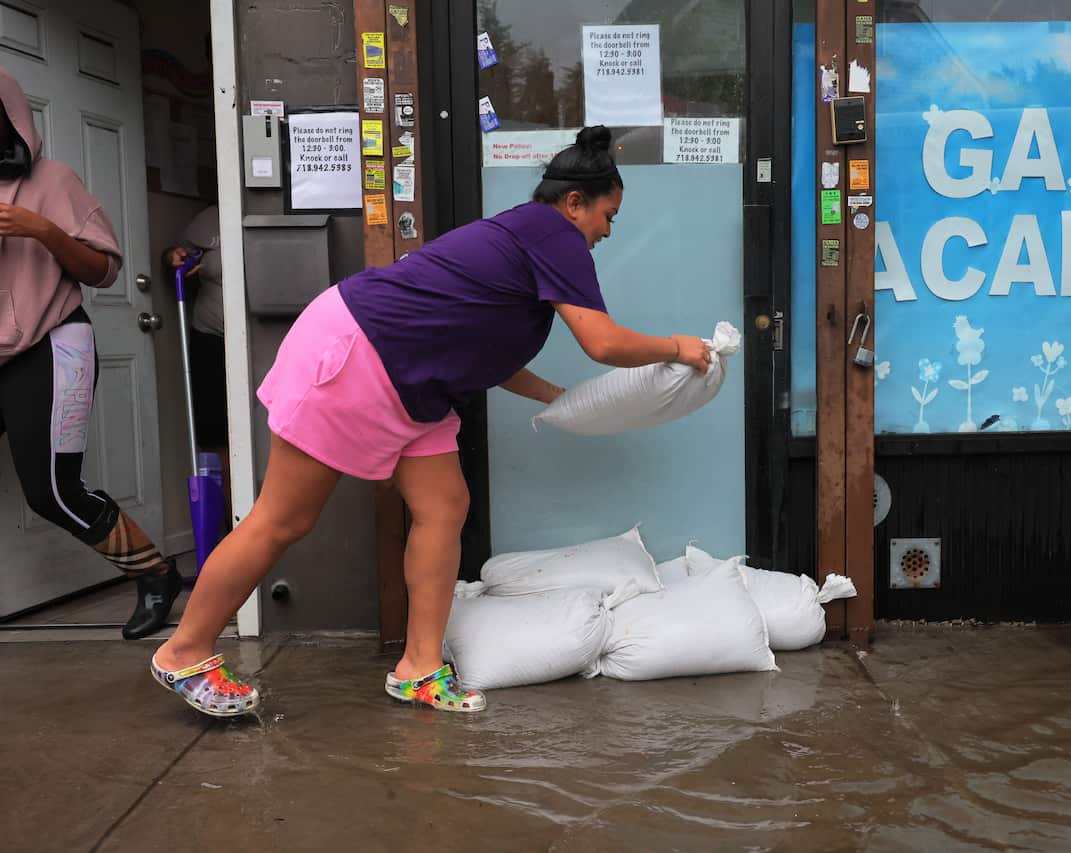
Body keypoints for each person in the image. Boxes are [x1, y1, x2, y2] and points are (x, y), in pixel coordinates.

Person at [150, 125, 711, 717]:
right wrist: (679, 347)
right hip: (358, 354)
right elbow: (601, 341)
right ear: (575, 203)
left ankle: (419, 667)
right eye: (607, 216)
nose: (605, 232)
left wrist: (560, 399)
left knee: (444, 505)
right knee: (283, 518)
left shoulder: (528, 239)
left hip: (413, 382)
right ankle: (184, 651)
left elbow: (485, 350)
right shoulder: (553, 233)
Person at [0, 67, 182, 639]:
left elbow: (104, 271)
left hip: (53, 343)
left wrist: (43, 231)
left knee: (54, 490)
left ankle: (155, 573)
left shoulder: (53, 180)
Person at [162, 206, 232, 525]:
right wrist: (171, 257)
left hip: (263, 336)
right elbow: (177, 255)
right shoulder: (207, 219)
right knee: (217, 435)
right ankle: (231, 522)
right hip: (210, 337)